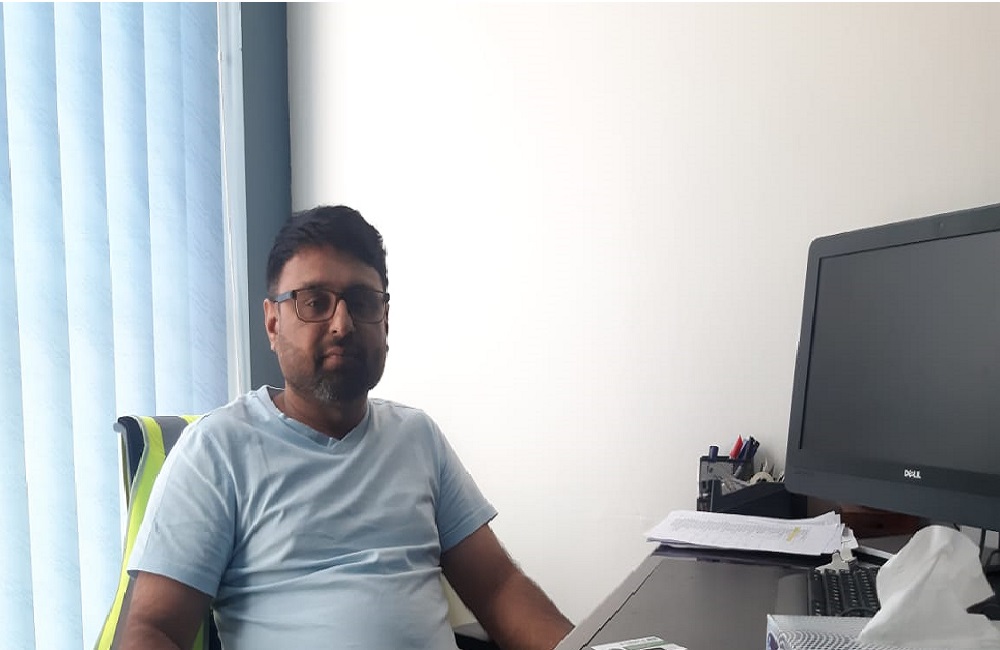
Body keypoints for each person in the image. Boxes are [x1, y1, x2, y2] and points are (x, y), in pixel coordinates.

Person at [120, 205, 573, 650]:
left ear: (385, 320)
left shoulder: (417, 437)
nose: (342, 324)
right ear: (273, 323)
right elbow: (154, 630)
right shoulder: (217, 450)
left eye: (362, 302)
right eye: (314, 302)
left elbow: (499, 588)